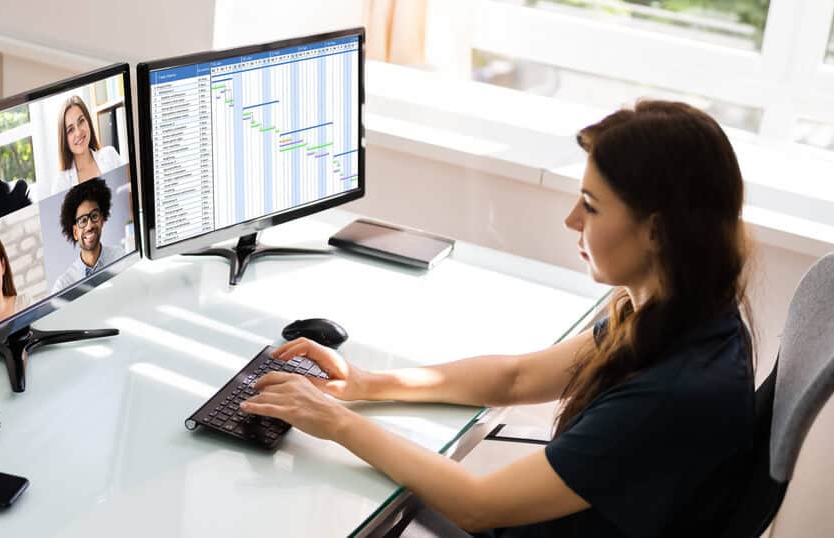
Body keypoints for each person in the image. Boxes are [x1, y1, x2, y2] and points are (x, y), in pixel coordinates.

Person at [241, 100, 756, 537]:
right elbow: (519, 377)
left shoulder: (673, 390)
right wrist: (367, 383)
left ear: (656, 232)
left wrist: (335, 422)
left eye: (592, 207)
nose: (572, 220)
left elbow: (479, 503)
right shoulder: (679, 310)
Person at [51, 179, 125, 293]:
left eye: (94, 216)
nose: (90, 225)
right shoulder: (63, 286)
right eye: (83, 220)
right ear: (75, 232)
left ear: (102, 220)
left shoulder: (120, 256)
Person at [48, 95, 125, 194]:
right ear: (64, 139)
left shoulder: (110, 155)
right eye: (70, 130)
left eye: (81, 121)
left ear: (88, 121)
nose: (78, 133)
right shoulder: (61, 184)